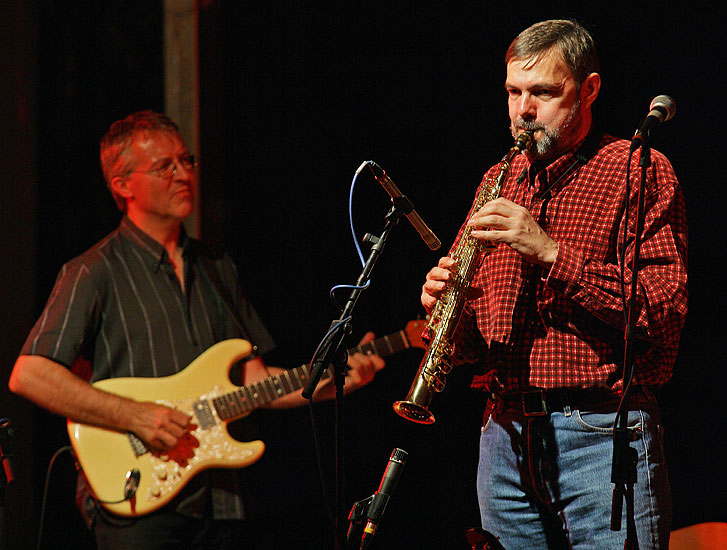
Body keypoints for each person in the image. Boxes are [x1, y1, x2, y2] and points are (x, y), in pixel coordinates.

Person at [8, 110, 385, 549]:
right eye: (164, 166)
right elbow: (29, 374)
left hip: (222, 501)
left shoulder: (217, 265)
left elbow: (256, 381)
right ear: (122, 184)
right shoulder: (93, 271)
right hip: (137, 503)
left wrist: (334, 380)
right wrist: (134, 416)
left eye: (186, 161)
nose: (183, 174)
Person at [420, 20, 687, 550]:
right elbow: (476, 347)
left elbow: (663, 312)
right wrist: (445, 309)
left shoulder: (637, 170)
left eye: (543, 92)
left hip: (600, 431)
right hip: (504, 437)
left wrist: (551, 254)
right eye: (514, 92)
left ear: (588, 89)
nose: (524, 109)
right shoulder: (498, 178)